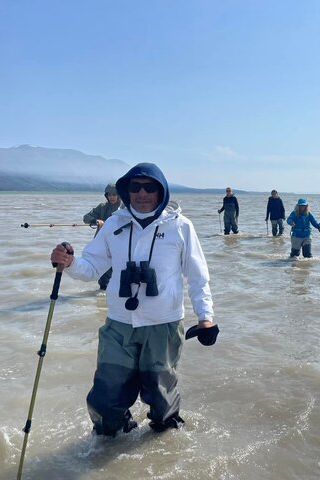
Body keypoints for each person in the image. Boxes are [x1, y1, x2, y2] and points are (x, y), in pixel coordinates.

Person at [51, 163, 218, 437]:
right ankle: (110, 441)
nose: (142, 193)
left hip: (163, 325)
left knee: (162, 397)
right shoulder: (114, 224)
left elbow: (198, 277)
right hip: (118, 324)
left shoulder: (181, 226)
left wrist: (206, 318)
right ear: (126, 191)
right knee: (106, 395)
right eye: (135, 187)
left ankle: (162, 446)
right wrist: (68, 262)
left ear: (161, 191)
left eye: (149, 187)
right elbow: (91, 267)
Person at [83, 183, 122, 290]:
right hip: (103, 244)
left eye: (114, 195)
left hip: (120, 244)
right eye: (109, 195)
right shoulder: (102, 207)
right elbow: (86, 217)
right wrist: (95, 220)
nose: (112, 197)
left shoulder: (124, 208)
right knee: (104, 274)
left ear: (119, 195)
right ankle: (101, 296)